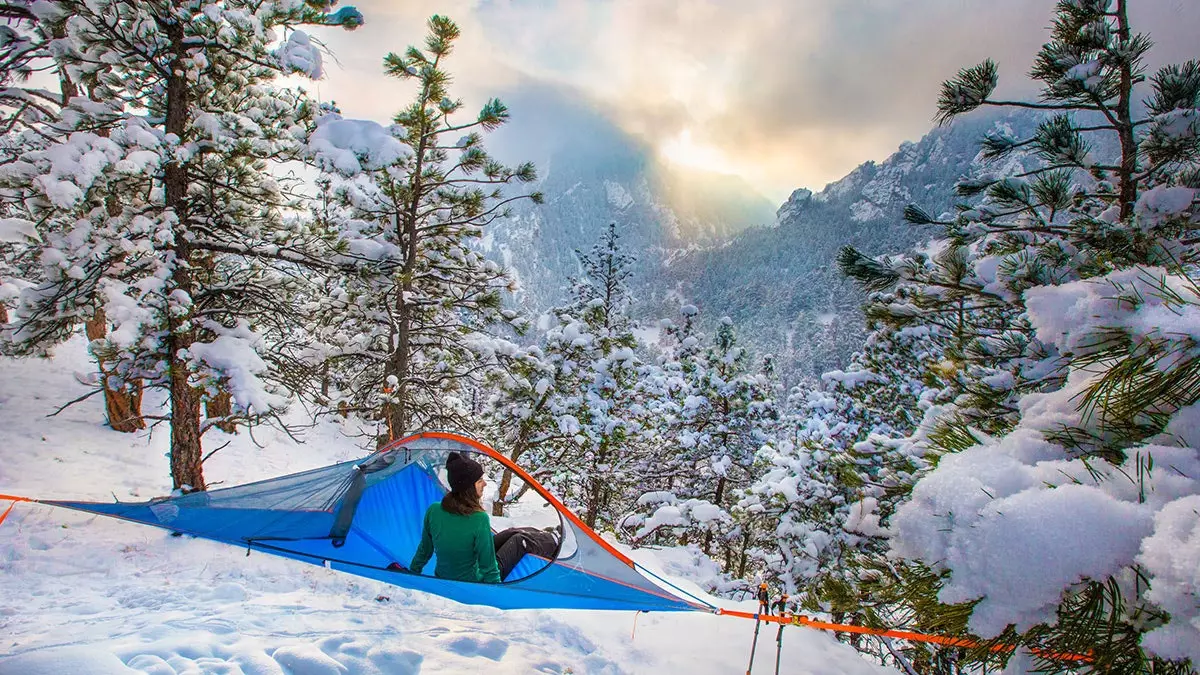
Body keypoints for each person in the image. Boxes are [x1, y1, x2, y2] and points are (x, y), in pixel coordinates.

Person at [407, 452, 562, 583]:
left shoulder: (434, 510)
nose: (485, 484)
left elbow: (424, 550)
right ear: (468, 486)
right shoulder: (478, 519)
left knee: (511, 533)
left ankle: (544, 535)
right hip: (475, 582)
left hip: (448, 574)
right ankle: (554, 539)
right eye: (480, 481)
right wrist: (493, 591)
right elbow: (488, 567)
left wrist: (413, 573)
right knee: (520, 541)